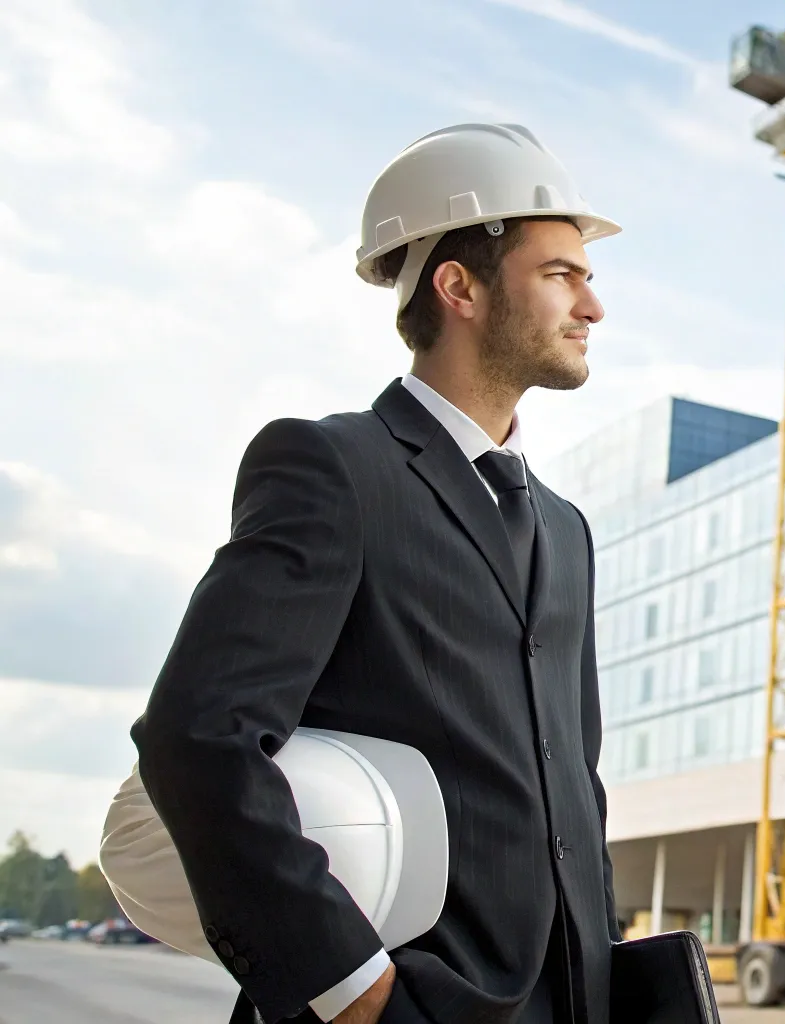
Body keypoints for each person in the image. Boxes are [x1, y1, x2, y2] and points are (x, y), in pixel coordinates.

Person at [130, 123, 623, 1024]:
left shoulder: (566, 528)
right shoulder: (332, 468)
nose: (593, 307)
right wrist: (354, 990)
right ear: (459, 285)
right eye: (562, 273)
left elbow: (575, 790)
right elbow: (200, 736)